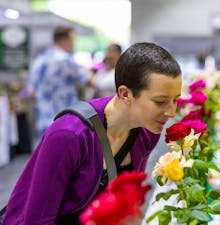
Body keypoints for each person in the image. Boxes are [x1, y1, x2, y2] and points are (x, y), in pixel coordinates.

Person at [4, 42, 182, 225]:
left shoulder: (147, 131)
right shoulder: (70, 135)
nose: (171, 112)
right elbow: (37, 221)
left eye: (176, 100)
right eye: (161, 101)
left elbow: (123, 204)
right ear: (125, 94)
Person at [26, 25, 94, 137]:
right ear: (64, 39)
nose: (73, 44)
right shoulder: (66, 60)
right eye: (72, 40)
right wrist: (88, 68)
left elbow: (30, 93)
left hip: (44, 121)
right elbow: (90, 82)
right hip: (66, 121)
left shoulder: (38, 61)